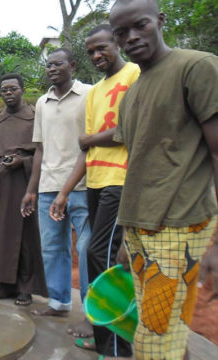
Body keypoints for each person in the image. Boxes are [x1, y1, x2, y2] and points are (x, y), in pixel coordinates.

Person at [109, 0, 218, 359]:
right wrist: (129, 235)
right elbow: (140, 166)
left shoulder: (196, 67)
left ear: (160, 19)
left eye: (140, 25)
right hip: (143, 228)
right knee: (166, 329)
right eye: (122, 32)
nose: (132, 37)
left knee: (153, 342)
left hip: (179, 225)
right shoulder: (133, 94)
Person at [48, 25, 139, 358]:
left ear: (118, 42)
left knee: (102, 255)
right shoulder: (96, 92)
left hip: (121, 180)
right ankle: (106, 338)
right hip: (96, 183)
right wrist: (63, 192)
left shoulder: (135, 74)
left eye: (102, 48)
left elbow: (131, 130)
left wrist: (90, 140)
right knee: (97, 255)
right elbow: (86, 151)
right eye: (91, 52)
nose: (97, 55)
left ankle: (117, 344)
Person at [20, 49, 92, 317]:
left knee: (86, 248)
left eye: (58, 64)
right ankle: (59, 302)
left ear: (72, 65)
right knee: (51, 247)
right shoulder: (42, 102)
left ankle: (91, 311)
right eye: (48, 64)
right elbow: (39, 149)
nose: (51, 68)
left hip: (82, 186)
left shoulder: (89, 94)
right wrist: (31, 189)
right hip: (48, 186)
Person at [0, 73, 48, 306]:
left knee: (24, 237)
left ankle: (24, 287)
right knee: (0, 237)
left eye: (12, 89)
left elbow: (42, 152)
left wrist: (23, 162)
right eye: (4, 89)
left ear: (22, 89)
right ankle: (2, 284)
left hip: (22, 182)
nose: (8, 93)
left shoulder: (34, 118)